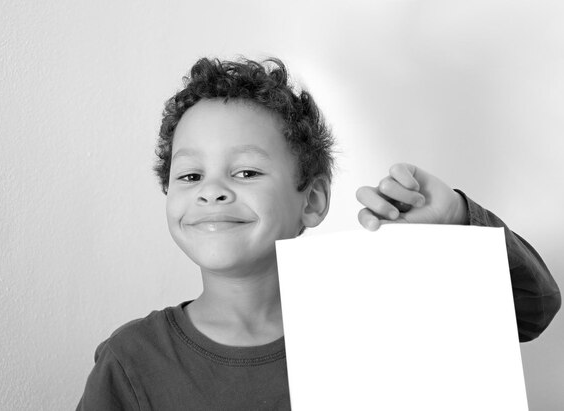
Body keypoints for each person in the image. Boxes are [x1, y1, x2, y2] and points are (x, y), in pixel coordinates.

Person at [76, 57, 560, 410]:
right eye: (189, 176)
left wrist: (456, 217)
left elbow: (533, 309)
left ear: (312, 201)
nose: (213, 192)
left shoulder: (381, 315)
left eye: (245, 172)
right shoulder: (132, 360)